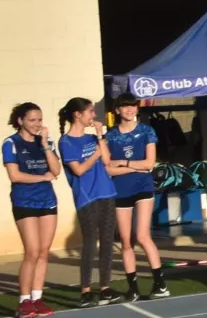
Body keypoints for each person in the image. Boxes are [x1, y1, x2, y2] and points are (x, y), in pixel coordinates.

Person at [58, 97, 121, 307]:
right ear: (78, 114)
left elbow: (107, 160)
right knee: (90, 244)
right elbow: (78, 169)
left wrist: (100, 136)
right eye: (90, 112)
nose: (93, 116)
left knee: (106, 242)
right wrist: (96, 152)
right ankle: (85, 290)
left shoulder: (93, 138)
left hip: (106, 193)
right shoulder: (66, 142)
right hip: (87, 197)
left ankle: (105, 288)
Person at [104, 95, 168, 301]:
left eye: (133, 106)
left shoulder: (147, 131)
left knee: (142, 236)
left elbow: (149, 163)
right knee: (126, 240)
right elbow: (108, 170)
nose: (130, 110)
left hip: (143, 188)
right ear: (117, 110)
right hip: (120, 191)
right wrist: (131, 166)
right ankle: (133, 288)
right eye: (125, 106)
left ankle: (160, 284)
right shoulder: (110, 136)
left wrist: (122, 161)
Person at [3, 102, 60, 318]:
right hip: (25, 201)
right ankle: (24, 301)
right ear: (21, 121)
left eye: (39, 120)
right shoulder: (11, 143)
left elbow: (56, 170)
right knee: (32, 251)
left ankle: (37, 297)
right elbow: (15, 176)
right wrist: (41, 178)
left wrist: (45, 144)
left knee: (44, 252)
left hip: (47, 200)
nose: (37, 124)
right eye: (32, 120)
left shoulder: (46, 141)